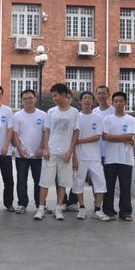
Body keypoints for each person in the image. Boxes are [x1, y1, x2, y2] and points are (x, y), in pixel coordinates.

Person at [36, 83, 78, 221]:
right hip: (51, 151)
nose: (53, 98)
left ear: (64, 95)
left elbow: (75, 133)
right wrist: (46, 149)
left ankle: (58, 208)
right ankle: (41, 208)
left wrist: (70, 151)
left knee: (63, 182)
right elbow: (47, 130)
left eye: (55, 96)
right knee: (45, 181)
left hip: (65, 152)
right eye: (52, 96)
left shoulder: (74, 112)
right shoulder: (51, 111)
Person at [71, 91, 111, 221]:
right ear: (80, 101)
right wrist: (74, 157)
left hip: (94, 157)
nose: (87, 100)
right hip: (79, 156)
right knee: (78, 183)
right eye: (85, 98)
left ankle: (97, 209)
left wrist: (79, 141)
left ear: (93, 101)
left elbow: (97, 137)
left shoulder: (98, 118)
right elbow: (72, 138)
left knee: (101, 183)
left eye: (89, 98)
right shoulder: (76, 117)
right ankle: (82, 208)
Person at [102, 91, 135, 221]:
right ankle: (108, 210)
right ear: (112, 103)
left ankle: (126, 212)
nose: (118, 103)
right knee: (109, 187)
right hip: (110, 158)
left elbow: (130, 136)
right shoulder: (107, 119)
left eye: (121, 101)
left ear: (125, 102)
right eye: (116, 101)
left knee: (125, 187)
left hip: (125, 158)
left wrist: (113, 137)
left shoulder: (130, 119)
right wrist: (124, 138)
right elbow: (105, 137)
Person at [12, 89, 46, 214]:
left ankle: (40, 204)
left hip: (38, 155)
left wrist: (41, 148)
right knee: (21, 180)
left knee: (39, 180)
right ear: (22, 100)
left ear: (35, 99)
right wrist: (20, 150)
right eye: (25, 98)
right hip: (22, 154)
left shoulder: (43, 115)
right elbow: (15, 134)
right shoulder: (17, 116)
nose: (28, 100)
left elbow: (45, 133)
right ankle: (22, 203)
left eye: (30, 98)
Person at [0, 84, 15, 212]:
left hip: (5, 151)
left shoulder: (7, 111)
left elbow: (10, 130)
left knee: (8, 179)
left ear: (2, 95)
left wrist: (6, 145)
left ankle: (9, 203)